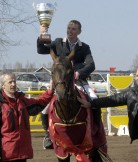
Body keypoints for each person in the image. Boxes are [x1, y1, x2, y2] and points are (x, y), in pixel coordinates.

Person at [37, 20, 97, 149]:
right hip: (60, 81)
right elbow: (42, 50)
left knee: (94, 100)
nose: (70, 31)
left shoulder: (84, 47)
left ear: (79, 31)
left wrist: (78, 73)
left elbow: (91, 65)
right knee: (45, 107)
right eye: (68, 28)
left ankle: (95, 131)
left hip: (79, 81)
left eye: (73, 29)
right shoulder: (58, 43)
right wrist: (42, 34)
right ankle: (47, 134)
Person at [0, 73, 54, 162]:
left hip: (22, 155)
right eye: (10, 82)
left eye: (14, 81)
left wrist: (50, 90)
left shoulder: (22, 100)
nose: (13, 84)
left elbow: (39, 102)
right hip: (5, 155)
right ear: (3, 86)